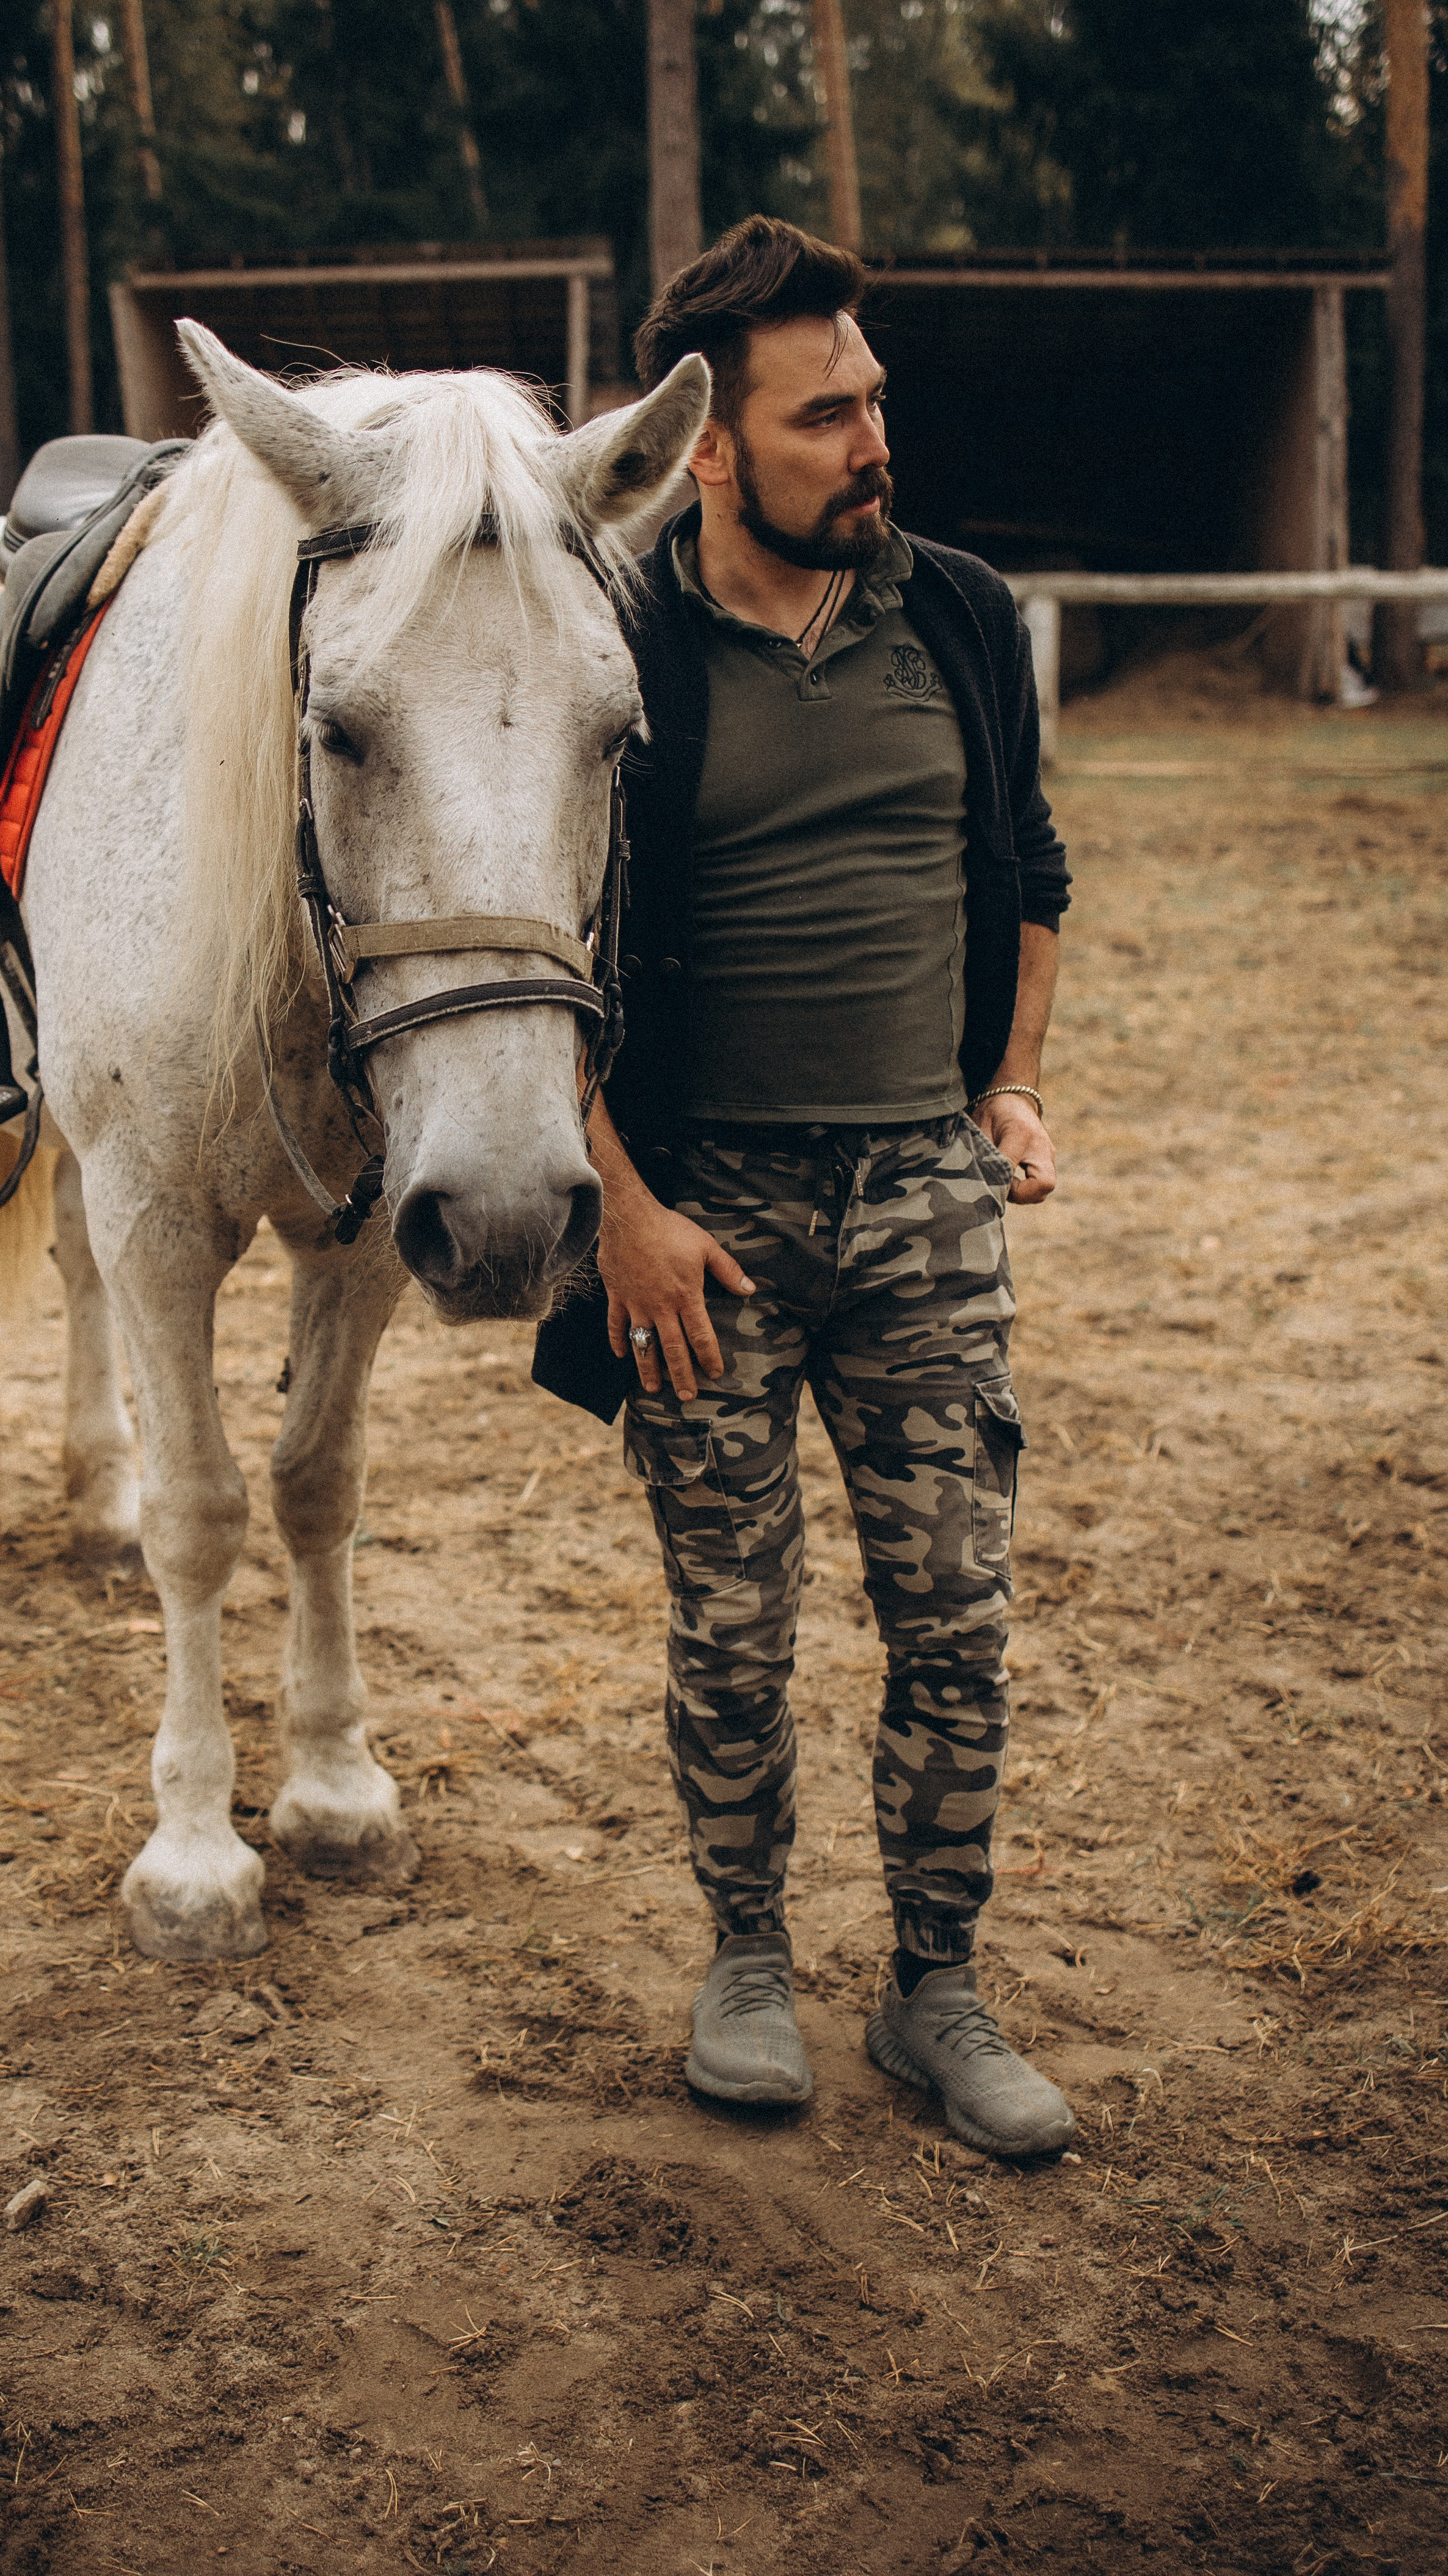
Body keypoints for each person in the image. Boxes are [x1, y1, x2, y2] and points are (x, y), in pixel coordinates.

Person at [533, 216, 1076, 2159]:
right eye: (822, 410)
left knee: (957, 1621)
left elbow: (1027, 869)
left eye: (875, 400)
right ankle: (747, 1963)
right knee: (734, 1630)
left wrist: (1006, 1086)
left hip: (925, 1200)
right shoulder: (625, 651)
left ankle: (935, 1991)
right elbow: (552, 965)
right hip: (706, 1224)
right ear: (711, 445)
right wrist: (620, 1206)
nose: (871, 441)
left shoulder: (957, 613)